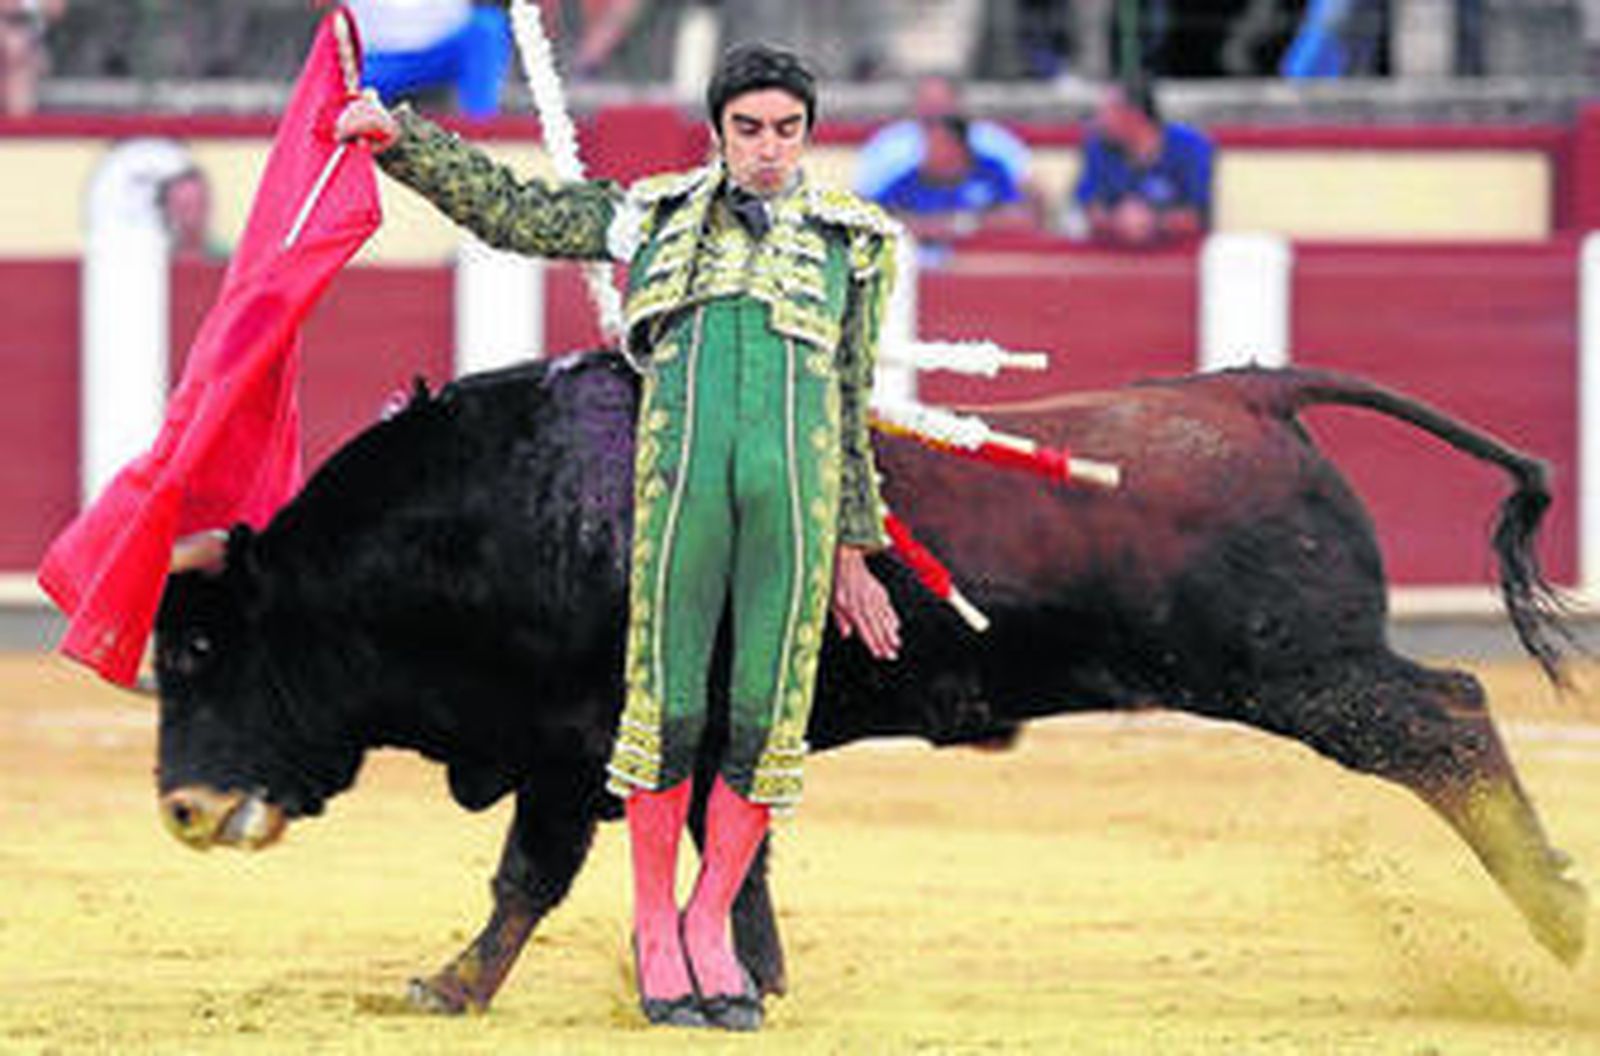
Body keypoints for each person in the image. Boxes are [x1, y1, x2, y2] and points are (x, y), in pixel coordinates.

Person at [334, 42, 902, 1032]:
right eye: (748, 129)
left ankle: (711, 923)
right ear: (719, 131)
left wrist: (854, 545)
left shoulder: (857, 241)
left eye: (787, 130)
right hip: (677, 499)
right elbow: (512, 210)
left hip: (795, 516)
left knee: (765, 723)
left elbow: (847, 404)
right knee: (669, 711)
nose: (768, 149)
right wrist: (402, 140)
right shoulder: (652, 212)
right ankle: (653, 928)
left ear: (809, 134)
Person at [855, 74, 1043, 246]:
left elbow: (1029, 208)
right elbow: (867, 212)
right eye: (928, 102)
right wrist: (932, 227)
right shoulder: (888, 147)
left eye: (940, 103)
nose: (934, 111)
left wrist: (967, 224)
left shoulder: (993, 146)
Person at [1067, 76, 1213, 247]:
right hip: (1115, 256)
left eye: (1107, 112)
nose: (1098, 121)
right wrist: (1118, 221)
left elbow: (1199, 217)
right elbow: (1087, 209)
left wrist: (1154, 222)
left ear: (1134, 115)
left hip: (1179, 257)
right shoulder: (1097, 146)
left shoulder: (1190, 146)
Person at [344, 0, 511, 119]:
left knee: (487, 26)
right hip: (375, 59)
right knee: (337, 65)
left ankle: (482, 130)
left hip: (440, 48)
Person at [0, 0, 63, 116]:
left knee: (17, 46)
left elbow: (56, 9)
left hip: (30, 50)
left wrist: (24, 5)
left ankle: (18, 124)